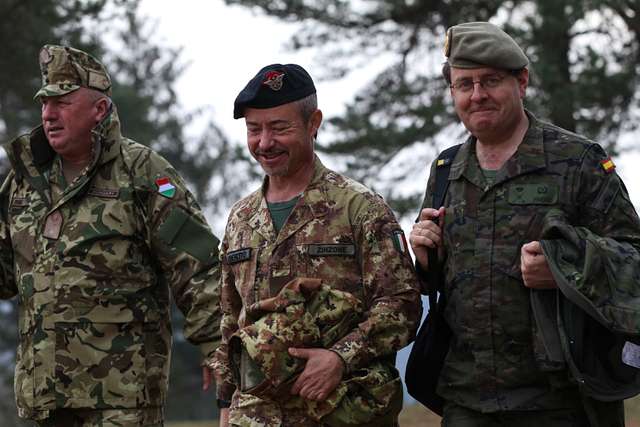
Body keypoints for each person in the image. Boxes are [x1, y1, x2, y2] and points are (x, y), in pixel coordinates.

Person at [409, 21, 640, 426]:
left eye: (491, 81)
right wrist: (427, 259)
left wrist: (564, 268)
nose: (477, 95)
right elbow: (444, 284)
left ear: (522, 82)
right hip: (467, 400)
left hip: (562, 402)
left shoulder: (578, 160)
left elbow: (634, 263)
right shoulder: (446, 169)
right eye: (465, 84)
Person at [0, 45, 222, 426]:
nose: (48, 115)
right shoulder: (24, 181)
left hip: (122, 400)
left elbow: (197, 264)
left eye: (63, 102)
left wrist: (216, 347)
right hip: (45, 399)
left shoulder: (145, 174)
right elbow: (5, 274)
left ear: (99, 110)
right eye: (44, 103)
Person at [212, 63, 421, 427]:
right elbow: (231, 321)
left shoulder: (359, 208)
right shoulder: (240, 219)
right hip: (257, 416)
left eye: (279, 128)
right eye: (253, 129)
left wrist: (341, 357)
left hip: (342, 411)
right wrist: (226, 405)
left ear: (313, 123)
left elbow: (402, 305)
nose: (264, 143)